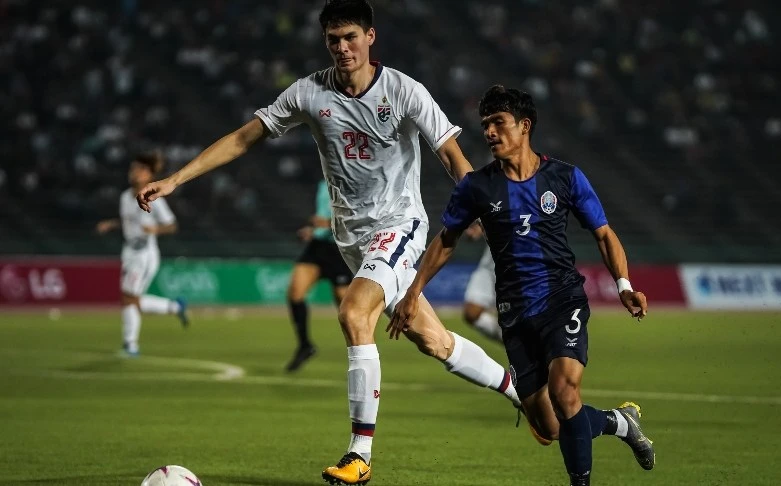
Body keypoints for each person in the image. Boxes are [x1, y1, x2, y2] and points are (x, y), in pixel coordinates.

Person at [135, 2, 520, 484]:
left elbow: (450, 155)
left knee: (353, 313)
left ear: (370, 36)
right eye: (333, 39)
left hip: (399, 225)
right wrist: (175, 179)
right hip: (351, 239)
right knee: (434, 341)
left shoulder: (404, 91)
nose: (342, 47)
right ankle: (521, 390)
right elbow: (243, 138)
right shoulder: (308, 93)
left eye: (350, 37)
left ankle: (359, 455)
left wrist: (480, 209)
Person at [389, 85, 655, 486]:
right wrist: (412, 293)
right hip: (514, 313)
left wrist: (623, 284)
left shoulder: (565, 177)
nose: (489, 132)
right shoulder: (476, 187)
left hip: (562, 299)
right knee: (550, 425)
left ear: (524, 125)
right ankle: (620, 422)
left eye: (498, 123)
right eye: (485, 125)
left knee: (565, 392)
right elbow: (446, 240)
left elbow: (603, 233)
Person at [96, 152, 189, 357]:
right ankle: (174, 307)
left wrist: (155, 229)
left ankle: (131, 345)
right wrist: (111, 224)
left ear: (149, 174)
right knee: (130, 298)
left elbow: (171, 225)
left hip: (144, 253)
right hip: (129, 250)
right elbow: (128, 221)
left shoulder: (154, 198)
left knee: (129, 297)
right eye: (133, 168)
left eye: (140, 169)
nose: (134, 172)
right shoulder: (125, 197)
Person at [286, 179, 353, 372]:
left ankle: (359, 349)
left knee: (346, 308)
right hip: (318, 246)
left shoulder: (352, 181)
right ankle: (305, 345)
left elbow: (357, 217)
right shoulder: (323, 184)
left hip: (339, 249)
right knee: (295, 293)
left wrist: (329, 224)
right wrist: (312, 229)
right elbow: (322, 214)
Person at [462, 225, 502, 342]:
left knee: (512, 318)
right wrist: (478, 227)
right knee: (471, 314)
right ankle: (511, 342)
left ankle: (519, 347)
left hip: (518, 269)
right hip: (489, 266)